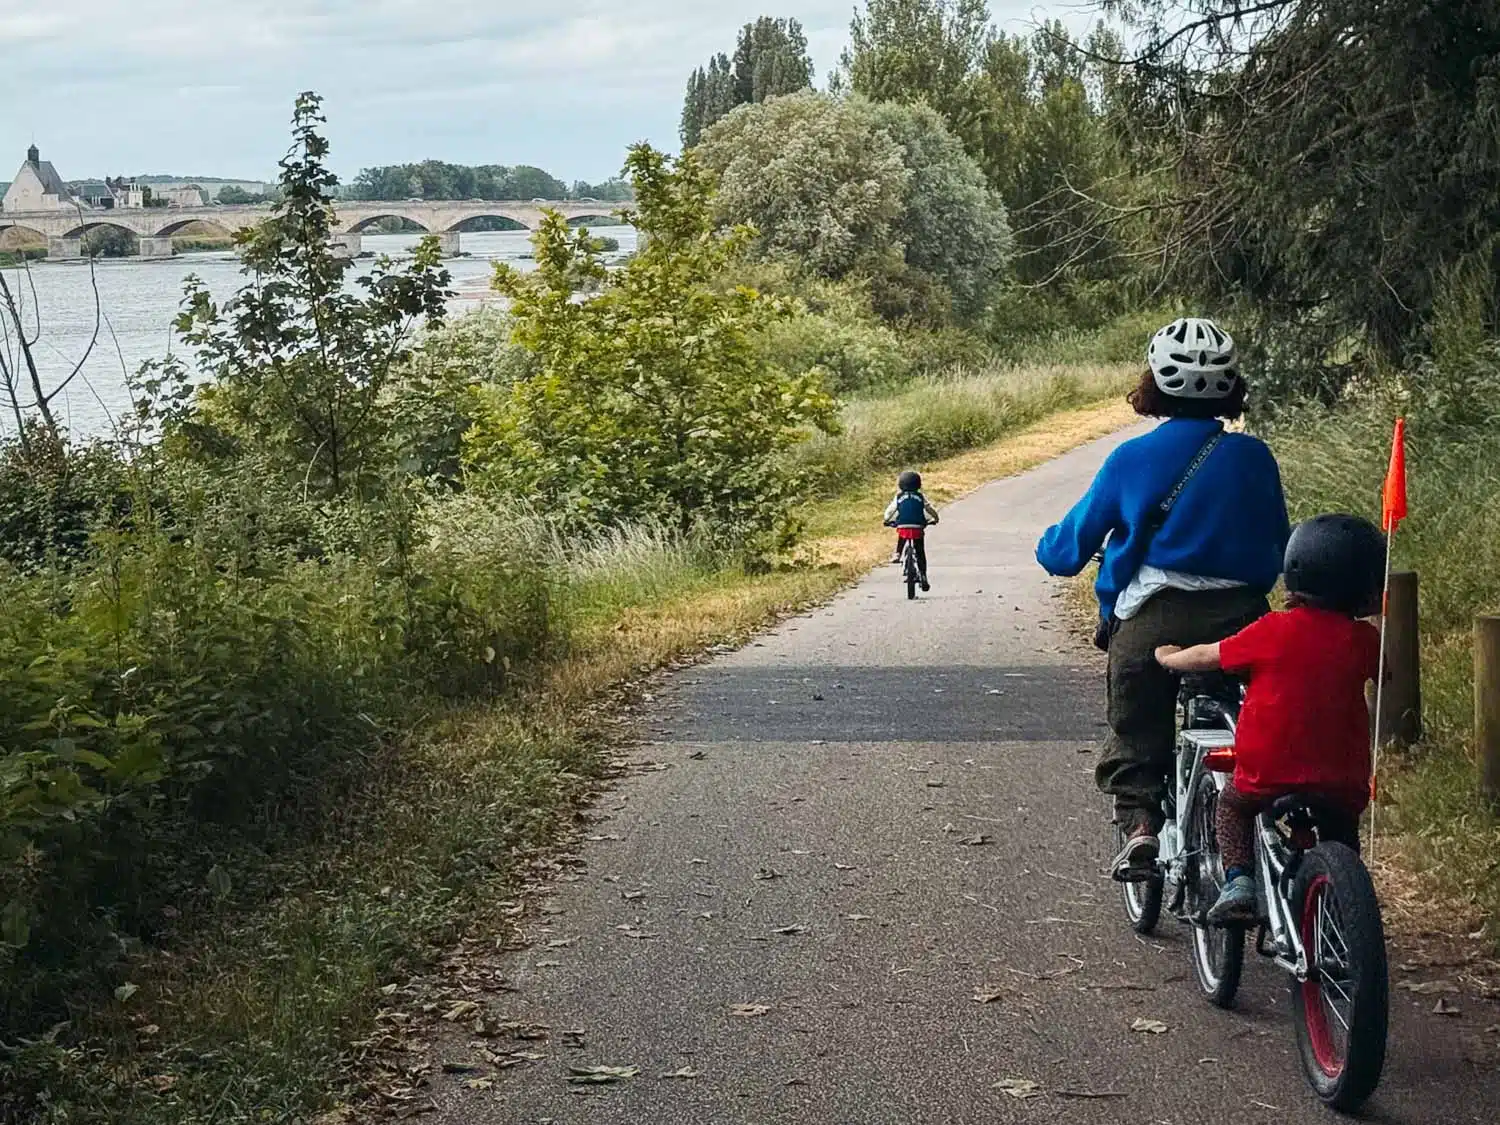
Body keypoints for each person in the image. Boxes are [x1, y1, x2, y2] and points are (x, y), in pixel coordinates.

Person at [1036, 317, 1290, 881]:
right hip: (1243, 618)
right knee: (1253, 728)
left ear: (1154, 382)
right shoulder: (1254, 458)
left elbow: (1065, 552)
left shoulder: (1131, 459)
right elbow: (1278, 540)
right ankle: (1261, 832)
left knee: (1138, 726)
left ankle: (1141, 829)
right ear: (1231, 385)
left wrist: (1047, 544)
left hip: (1155, 620)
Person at [1155, 514, 1385, 924]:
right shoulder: (1365, 641)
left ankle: (1239, 881)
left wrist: (1169, 657)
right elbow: (1390, 674)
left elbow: (1211, 655)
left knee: (1233, 806)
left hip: (1269, 771)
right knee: (1341, 833)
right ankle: (1343, 910)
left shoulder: (1272, 630)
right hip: (1341, 775)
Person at [885, 470, 939, 591]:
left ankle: (897, 554)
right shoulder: (920, 496)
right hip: (918, 525)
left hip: (903, 525)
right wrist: (935, 518)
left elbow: (890, 510)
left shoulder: (898, 497)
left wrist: (887, 520)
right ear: (918, 484)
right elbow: (929, 509)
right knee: (920, 551)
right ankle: (923, 576)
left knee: (902, 535)